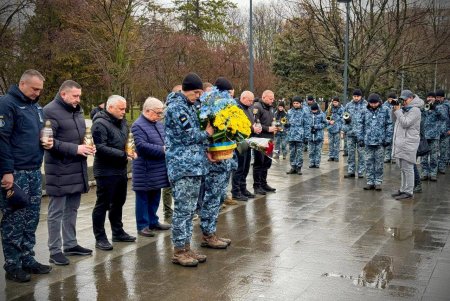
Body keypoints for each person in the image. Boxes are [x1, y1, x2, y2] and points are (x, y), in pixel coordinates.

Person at [0, 69, 52, 282]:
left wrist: (45, 142)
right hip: (15, 172)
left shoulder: (36, 107)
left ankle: (27, 258)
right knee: (14, 219)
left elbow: (36, 133)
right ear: (22, 84)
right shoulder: (7, 104)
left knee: (31, 218)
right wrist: (6, 171)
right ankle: (12, 264)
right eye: (34, 89)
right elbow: (2, 139)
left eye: (40, 89)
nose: (38, 93)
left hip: (33, 170)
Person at [165, 72, 213, 267]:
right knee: (183, 210)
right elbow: (189, 136)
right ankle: (179, 250)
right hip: (183, 166)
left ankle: (186, 246)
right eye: (198, 93)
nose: (199, 97)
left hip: (193, 165)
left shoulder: (189, 106)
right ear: (191, 91)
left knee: (190, 209)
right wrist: (207, 133)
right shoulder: (177, 108)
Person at [43, 80, 94, 266]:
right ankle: (54, 250)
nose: (78, 99)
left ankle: (70, 244)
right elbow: (47, 142)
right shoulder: (49, 111)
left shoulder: (77, 110)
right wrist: (76, 149)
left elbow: (79, 136)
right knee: (56, 212)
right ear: (63, 94)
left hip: (76, 168)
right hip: (59, 169)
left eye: (79, 96)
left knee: (72, 209)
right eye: (75, 96)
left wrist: (88, 146)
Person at [91, 95, 136, 251]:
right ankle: (100, 237)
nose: (124, 112)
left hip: (120, 169)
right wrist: (123, 154)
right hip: (105, 170)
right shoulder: (99, 124)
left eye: (125, 108)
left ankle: (118, 232)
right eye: (121, 109)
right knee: (102, 204)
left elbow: (127, 140)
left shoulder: (122, 122)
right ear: (110, 108)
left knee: (119, 202)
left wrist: (131, 149)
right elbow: (100, 148)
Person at [200, 78, 236, 250]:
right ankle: (208, 234)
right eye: (229, 93)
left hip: (224, 159)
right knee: (212, 198)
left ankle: (211, 232)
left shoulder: (224, 104)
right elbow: (207, 130)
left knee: (218, 197)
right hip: (214, 160)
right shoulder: (211, 103)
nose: (230, 97)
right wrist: (209, 149)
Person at [131, 97, 171, 238]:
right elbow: (141, 146)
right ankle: (142, 225)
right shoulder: (138, 125)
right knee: (143, 197)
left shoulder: (158, 124)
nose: (160, 116)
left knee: (155, 195)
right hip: (145, 168)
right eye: (157, 113)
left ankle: (153, 221)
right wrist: (163, 149)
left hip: (158, 167)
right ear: (147, 110)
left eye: (161, 113)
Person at [391, 90, 423, 200]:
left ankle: (409, 191)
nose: (403, 101)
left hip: (409, 143)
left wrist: (399, 111)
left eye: (405, 99)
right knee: (402, 168)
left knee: (408, 168)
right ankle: (403, 189)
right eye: (402, 99)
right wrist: (394, 109)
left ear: (411, 98)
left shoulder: (415, 110)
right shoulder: (404, 109)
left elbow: (405, 123)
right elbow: (395, 120)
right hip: (401, 142)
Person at [357, 93, 392, 190]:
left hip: (380, 141)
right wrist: (360, 138)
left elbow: (389, 125)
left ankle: (378, 182)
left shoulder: (385, 110)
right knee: (368, 162)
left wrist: (388, 139)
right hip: (368, 141)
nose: (373, 105)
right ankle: (370, 181)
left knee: (379, 163)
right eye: (371, 103)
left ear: (379, 102)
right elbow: (360, 124)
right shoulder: (364, 110)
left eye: (375, 103)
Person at [231, 91, 260, 201]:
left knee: (246, 166)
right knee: (239, 167)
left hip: (247, 140)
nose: (252, 102)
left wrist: (254, 127)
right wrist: (252, 128)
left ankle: (243, 188)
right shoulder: (237, 107)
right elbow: (238, 125)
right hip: (240, 141)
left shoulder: (247, 107)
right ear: (243, 98)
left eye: (252, 100)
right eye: (250, 100)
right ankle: (236, 191)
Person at [252, 90, 278, 195]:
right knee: (259, 163)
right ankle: (257, 186)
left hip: (269, 139)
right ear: (264, 97)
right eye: (271, 98)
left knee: (267, 162)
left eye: (273, 98)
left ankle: (263, 183)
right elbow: (254, 123)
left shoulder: (270, 107)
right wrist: (268, 129)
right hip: (260, 139)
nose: (273, 100)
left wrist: (275, 127)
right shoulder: (257, 107)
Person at [420, 92, 446, 182]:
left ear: (435, 98)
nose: (430, 98)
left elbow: (443, 118)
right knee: (423, 156)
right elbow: (420, 116)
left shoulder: (439, 107)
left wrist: (435, 109)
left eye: (432, 97)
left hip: (434, 136)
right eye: (429, 97)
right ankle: (424, 173)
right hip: (425, 136)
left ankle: (433, 174)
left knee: (434, 156)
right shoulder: (424, 107)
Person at [343, 89, 367, 178]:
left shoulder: (366, 105)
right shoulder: (348, 105)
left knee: (361, 154)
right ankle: (351, 171)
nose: (356, 98)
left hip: (361, 134)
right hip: (350, 133)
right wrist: (346, 121)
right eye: (354, 96)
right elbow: (344, 116)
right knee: (351, 153)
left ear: (361, 96)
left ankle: (361, 172)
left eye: (358, 96)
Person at [285, 96, 310, 174]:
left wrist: (306, 136)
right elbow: (286, 123)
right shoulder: (289, 112)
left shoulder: (304, 112)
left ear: (300, 103)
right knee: (292, 152)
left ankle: (299, 167)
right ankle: (293, 167)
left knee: (299, 153)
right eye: (294, 103)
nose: (295, 104)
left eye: (297, 103)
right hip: (291, 135)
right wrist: (286, 128)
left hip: (300, 135)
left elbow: (307, 125)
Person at [308, 103, 327, 168]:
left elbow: (325, 124)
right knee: (311, 150)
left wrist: (317, 126)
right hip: (310, 136)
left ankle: (317, 163)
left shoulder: (322, 115)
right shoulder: (308, 115)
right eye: (312, 110)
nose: (314, 111)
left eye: (315, 110)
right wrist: (310, 127)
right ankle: (311, 162)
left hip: (319, 136)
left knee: (318, 151)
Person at [435, 89, 449, 174]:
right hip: (436, 131)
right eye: (437, 97)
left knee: (444, 150)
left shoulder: (448, 105)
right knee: (435, 151)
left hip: (445, 132)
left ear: (443, 97)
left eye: (439, 97)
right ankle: (436, 167)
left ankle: (442, 167)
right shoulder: (435, 105)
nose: (438, 98)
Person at [326, 96, 344, 162]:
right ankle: (331, 156)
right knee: (331, 143)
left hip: (337, 128)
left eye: (336, 102)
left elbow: (343, 118)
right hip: (330, 128)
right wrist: (329, 121)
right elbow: (327, 115)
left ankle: (336, 156)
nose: (334, 103)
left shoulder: (342, 108)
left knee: (336, 143)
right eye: (333, 102)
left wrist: (341, 127)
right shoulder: (330, 107)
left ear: (338, 102)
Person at [382, 93, 396, 163]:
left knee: (394, 142)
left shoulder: (396, 104)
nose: (390, 100)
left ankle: (393, 157)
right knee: (387, 142)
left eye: (392, 99)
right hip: (387, 126)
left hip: (395, 125)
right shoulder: (384, 106)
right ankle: (387, 157)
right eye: (389, 98)